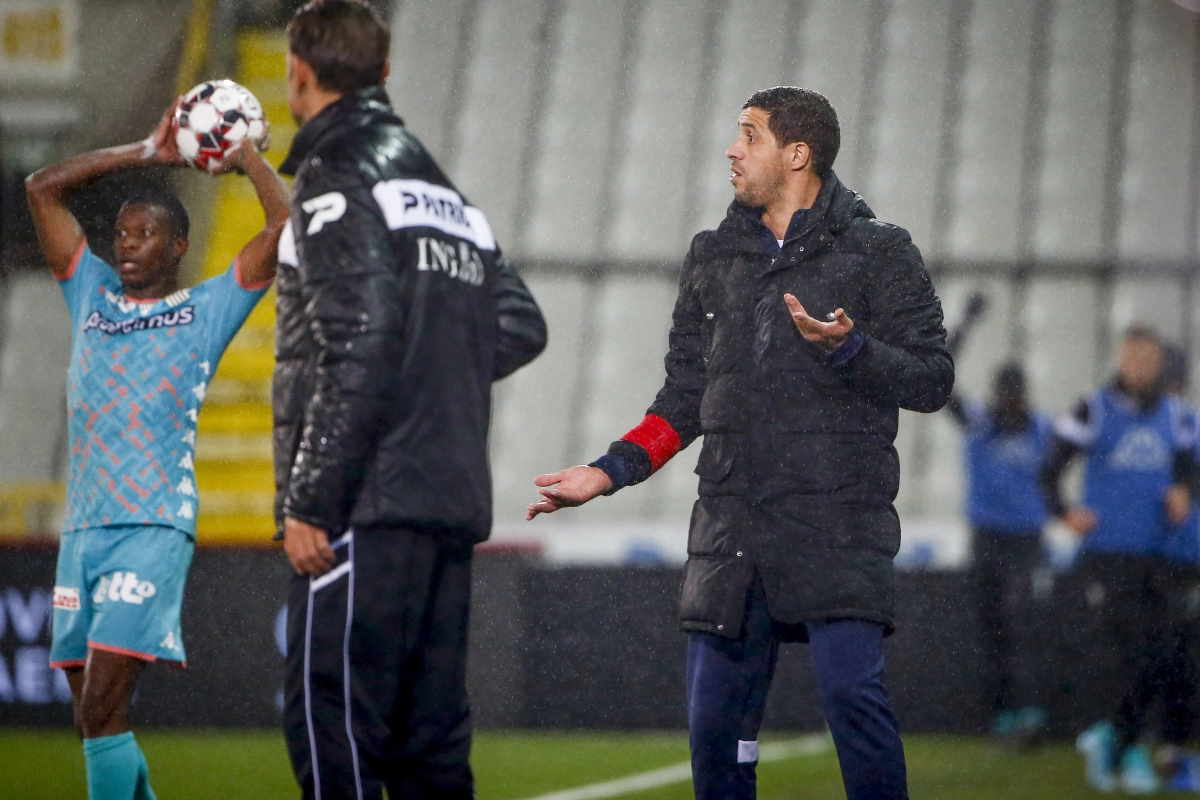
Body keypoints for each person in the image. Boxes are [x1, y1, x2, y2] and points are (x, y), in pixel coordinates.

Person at [527, 86, 953, 800]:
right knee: (716, 737)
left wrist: (852, 350)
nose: (732, 149)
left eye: (749, 135)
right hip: (731, 533)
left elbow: (934, 380)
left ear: (797, 154)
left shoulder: (880, 250)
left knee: (853, 704)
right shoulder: (712, 256)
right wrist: (607, 472)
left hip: (839, 528)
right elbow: (684, 398)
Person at [272, 3, 546, 799]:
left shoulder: (337, 174)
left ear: (298, 72)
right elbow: (521, 323)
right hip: (446, 503)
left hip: (364, 505)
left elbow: (361, 341)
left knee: (337, 732)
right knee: (429, 747)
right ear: (384, 74)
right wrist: (431, 367)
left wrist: (313, 500)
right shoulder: (440, 190)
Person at [27, 101, 287, 799]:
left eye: (145, 233)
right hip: (81, 531)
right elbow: (41, 188)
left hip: (150, 526)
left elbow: (283, 227)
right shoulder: (92, 295)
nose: (127, 244)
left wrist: (247, 159)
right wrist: (145, 149)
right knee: (94, 721)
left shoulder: (207, 311)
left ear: (178, 247)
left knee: (104, 707)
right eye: (121, 232)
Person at [1041, 326, 1195, 794]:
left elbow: (1190, 464)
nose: (1139, 368)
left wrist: (1183, 491)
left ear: (1158, 365)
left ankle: (1115, 740)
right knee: (1133, 653)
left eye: (1147, 360)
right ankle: (1123, 748)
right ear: (1121, 360)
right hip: (1108, 553)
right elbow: (1051, 465)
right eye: (1132, 359)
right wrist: (1065, 513)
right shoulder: (1094, 408)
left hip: (1157, 552)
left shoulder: (1177, 416)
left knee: (1158, 653)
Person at [944, 295, 1054, 743]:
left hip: (1026, 540)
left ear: (1024, 394)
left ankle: (1028, 713)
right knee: (992, 629)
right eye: (1004, 393)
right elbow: (941, 383)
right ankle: (1002, 717)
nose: (1009, 401)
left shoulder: (1044, 429)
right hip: (987, 537)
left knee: (1020, 624)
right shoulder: (980, 423)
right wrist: (964, 327)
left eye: (1015, 393)